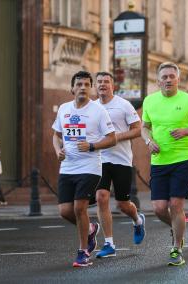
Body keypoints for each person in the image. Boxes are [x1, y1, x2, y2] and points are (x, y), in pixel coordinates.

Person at [141, 62, 188, 266]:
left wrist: (186, 131)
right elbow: (144, 127)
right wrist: (148, 141)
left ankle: (177, 248)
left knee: (176, 204)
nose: (168, 80)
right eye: (165, 77)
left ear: (178, 79)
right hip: (159, 160)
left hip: (183, 159)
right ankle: (176, 227)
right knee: (159, 208)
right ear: (158, 80)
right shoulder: (150, 101)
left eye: (172, 76)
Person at [52, 70, 116, 267]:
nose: (83, 88)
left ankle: (83, 252)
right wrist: (57, 151)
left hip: (90, 167)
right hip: (68, 166)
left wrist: (92, 146)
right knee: (65, 211)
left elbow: (112, 138)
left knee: (79, 208)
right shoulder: (64, 108)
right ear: (72, 88)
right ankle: (90, 229)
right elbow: (56, 135)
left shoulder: (98, 111)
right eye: (79, 84)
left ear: (91, 88)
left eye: (87, 85)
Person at [94, 72, 145, 258]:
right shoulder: (92, 107)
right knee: (101, 197)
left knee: (123, 204)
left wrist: (116, 138)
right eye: (99, 82)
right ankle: (109, 244)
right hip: (100, 159)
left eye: (106, 81)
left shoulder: (123, 105)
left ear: (112, 85)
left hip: (121, 159)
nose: (102, 85)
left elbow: (138, 130)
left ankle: (138, 220)